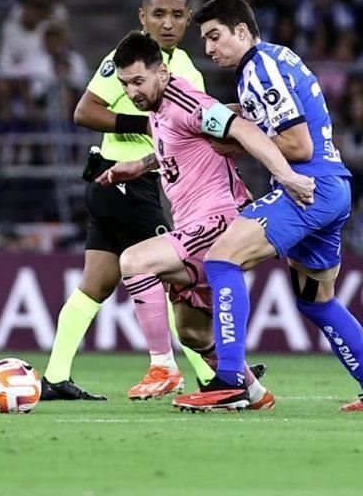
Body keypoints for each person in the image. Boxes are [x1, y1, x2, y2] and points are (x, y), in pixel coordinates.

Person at [172, 0, 363, 413]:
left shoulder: (259, 67)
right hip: (332, 188)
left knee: (222, 257)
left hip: (307, 186)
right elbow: (267, 119)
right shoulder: (276, 60)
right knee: (316, 300)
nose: (208, 49)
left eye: (214, 36)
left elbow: (298, 143)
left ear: (241, 31)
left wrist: (239, 142)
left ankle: (229, 382)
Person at [96, 31, 315, 407]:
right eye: (124, 84)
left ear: (161, 73)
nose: (132, 92)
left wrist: (287, 176)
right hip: (190, 225)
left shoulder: (186, 101)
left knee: (134, 261)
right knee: (193, 334)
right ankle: (255, 393)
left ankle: (162, 368)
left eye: (138, 81)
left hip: (217, 223)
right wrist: (141, 164)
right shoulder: (158, 111)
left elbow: (242, 128)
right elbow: (183, 143)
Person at [40, 0, 217, 401]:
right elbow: (85, 111)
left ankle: (54, 377)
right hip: (124, 182)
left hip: (130, 183)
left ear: (188, 20)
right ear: (143, 17)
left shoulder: (188, 69)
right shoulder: (123, 62)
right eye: (159, 14)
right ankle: (208, 373)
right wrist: (151, 124)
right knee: (170, 273)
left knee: (96, 283)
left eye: (177, 15)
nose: (168, 23)